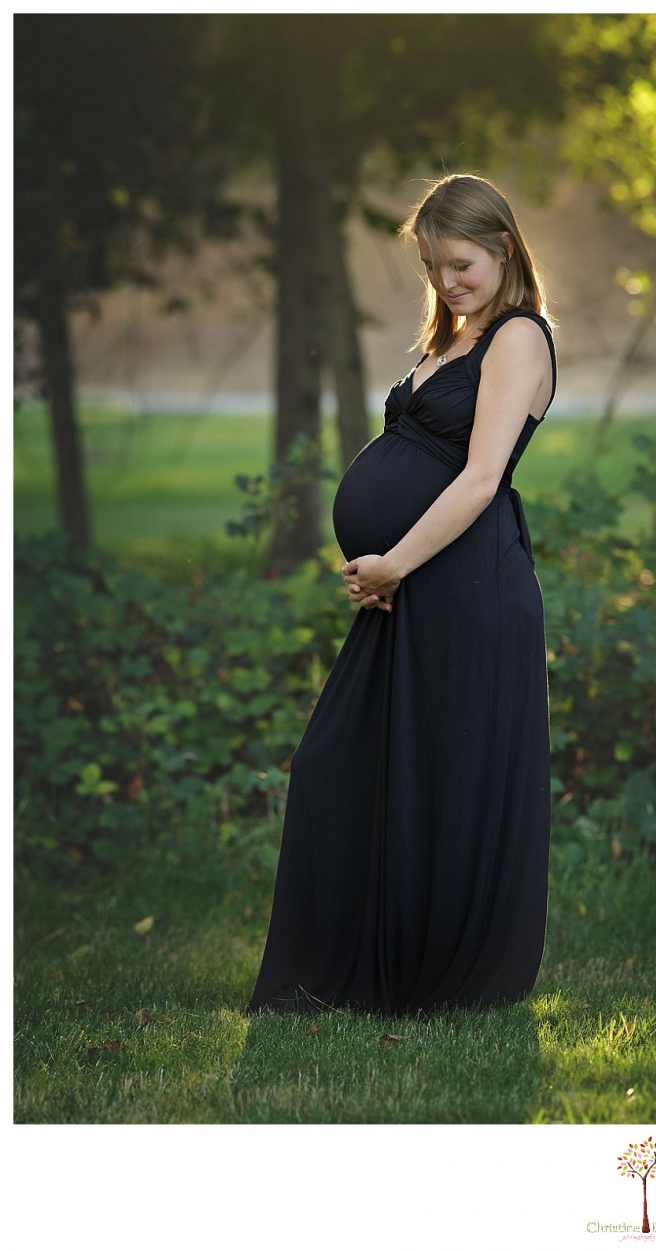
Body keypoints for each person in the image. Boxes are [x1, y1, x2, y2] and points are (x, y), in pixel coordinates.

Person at [246, 173, 557, 1017]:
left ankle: (433, 974)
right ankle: (344, 965)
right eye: (433, 268)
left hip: (464, 583)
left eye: (460, 264)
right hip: (415, 586)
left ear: (501, 249)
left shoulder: (518, 339)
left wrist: (393, 562)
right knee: (348, 765)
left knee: (440, 779)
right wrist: (383, 566)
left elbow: (481, 478)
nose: (447, 282)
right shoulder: (452, 340)